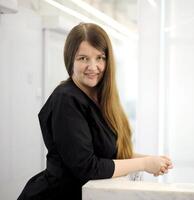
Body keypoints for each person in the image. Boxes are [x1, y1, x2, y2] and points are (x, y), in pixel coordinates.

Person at [18, 22, 173, 200]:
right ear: (70, 60)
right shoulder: (66, 100)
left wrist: (151, 160)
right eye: (83, 58)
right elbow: (88, 167)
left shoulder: (100, 97)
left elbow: (107, 153)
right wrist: (144, 163)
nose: (93, 67)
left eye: (100, 58)